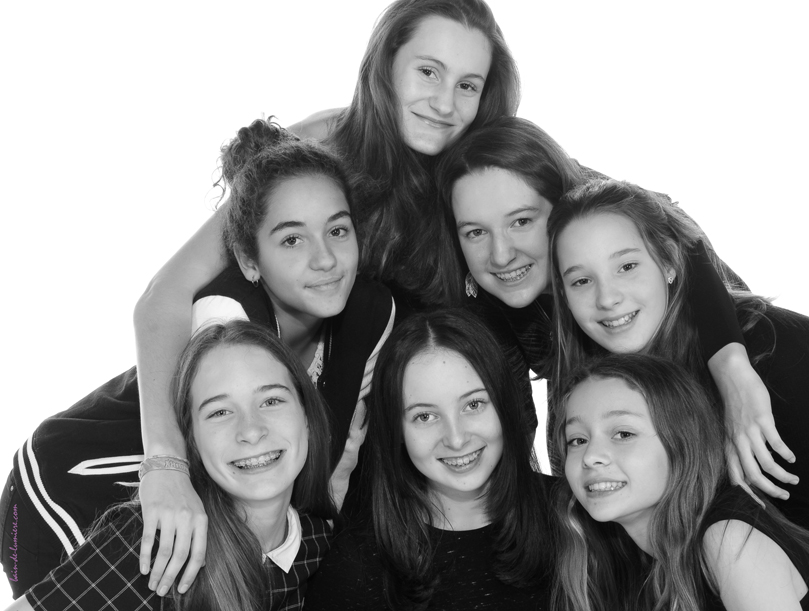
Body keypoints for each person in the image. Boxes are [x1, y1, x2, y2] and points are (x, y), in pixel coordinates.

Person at [130, 0, 523, 592]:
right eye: (428, 71)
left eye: (467, 84)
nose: (445, 104)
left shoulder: (483, 162)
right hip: (212, 416)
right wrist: (165, 462)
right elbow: (163, 297)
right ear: (385, 66)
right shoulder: (324, 144)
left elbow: (594, 201)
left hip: (382, 439)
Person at [0, 119, 394, 596]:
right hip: (65, 489)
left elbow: (315, 471)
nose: (325, 259)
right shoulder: (226, 317)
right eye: (292, 240)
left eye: (338, 230)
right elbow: (231, 486)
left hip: (191, 510)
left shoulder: (371, 315)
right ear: (249, 260)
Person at [549, 178, 809, 607]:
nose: (607, 298)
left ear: (669, 263)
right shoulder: (615, 384)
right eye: (581, 281)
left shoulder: (772, 352)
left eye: (627, 266)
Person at [436, 116, 797, 488]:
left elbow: (684, 242)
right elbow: (516, 440)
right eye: (475, 232)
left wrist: (730, 365)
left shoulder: (667, 280)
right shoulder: (488, 310)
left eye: (521, 221)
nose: (500, 255)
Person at [6, 321, 337, 611]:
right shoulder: (154, 543)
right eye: (220, 412)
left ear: (307, 417)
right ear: (192, 441)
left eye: (272, 400)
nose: (251, 430)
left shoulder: (320, 544)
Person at [553, 354, 809, 611]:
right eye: (577, 440)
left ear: (683, 442)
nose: (591, 456)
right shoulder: (637, 561)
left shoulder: (728, 539)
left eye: (623, 433)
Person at [304, 309, 554, 610]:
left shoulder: (573, 515)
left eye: (474, 404)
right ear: (396, 430)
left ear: (504, 403)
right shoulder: (353, 566)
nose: (456, 439)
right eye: (424, 416)